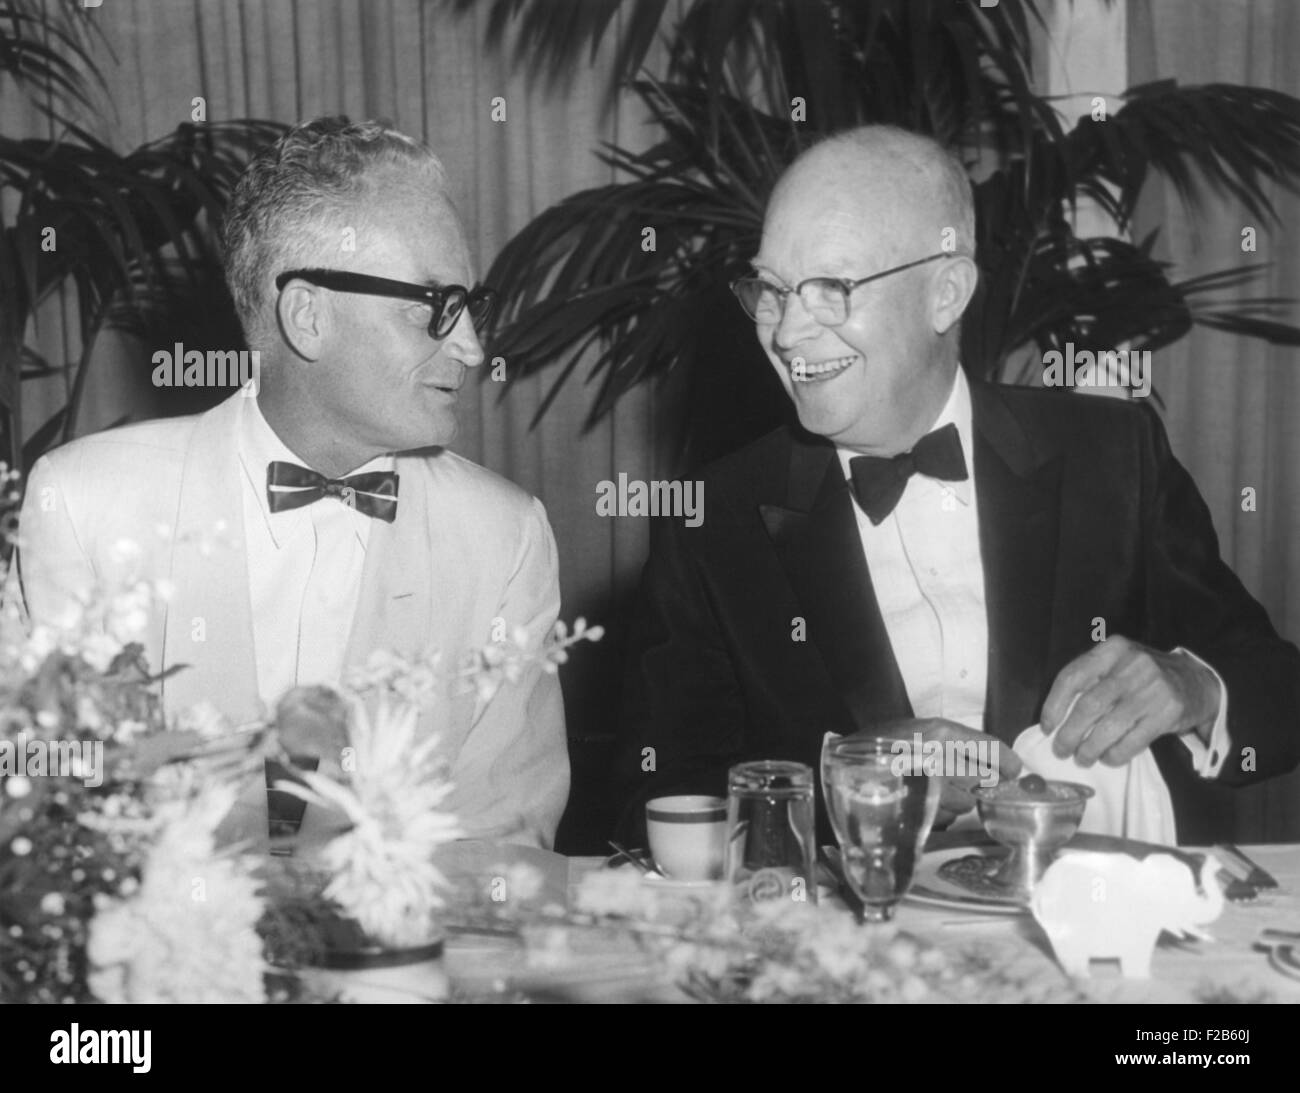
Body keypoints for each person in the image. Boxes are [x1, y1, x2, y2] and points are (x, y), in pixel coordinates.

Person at [614, 125, 1300, 846]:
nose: (785, 334)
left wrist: (1192, 687)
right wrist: (849, 777)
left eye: (830, 289)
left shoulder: (1112, 455)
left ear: (946, 293)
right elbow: (649, 802)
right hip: (855, 945)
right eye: (772, 291)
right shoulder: (714, 521)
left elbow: (1278, 689)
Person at [11, 117, 568, 848]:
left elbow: (504, 842)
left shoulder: (505, 538)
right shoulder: (84, 505)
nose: (471, 347)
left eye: (471, 306)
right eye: (434, 306)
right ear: (308, 316)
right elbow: (40, 807)